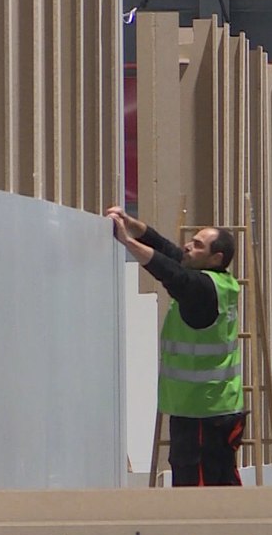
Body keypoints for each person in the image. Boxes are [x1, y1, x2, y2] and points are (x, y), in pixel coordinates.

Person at [105, 206, 246, 486]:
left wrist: (126, 242)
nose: (188, 247)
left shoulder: (201, 290)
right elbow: (166, 250)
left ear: (216, 258)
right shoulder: (221, 282)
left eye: (198, 245)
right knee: (218, 480)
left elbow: (168, 271)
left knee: (200, 489)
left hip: (202, 411)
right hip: (213, 407)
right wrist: (131, 223)